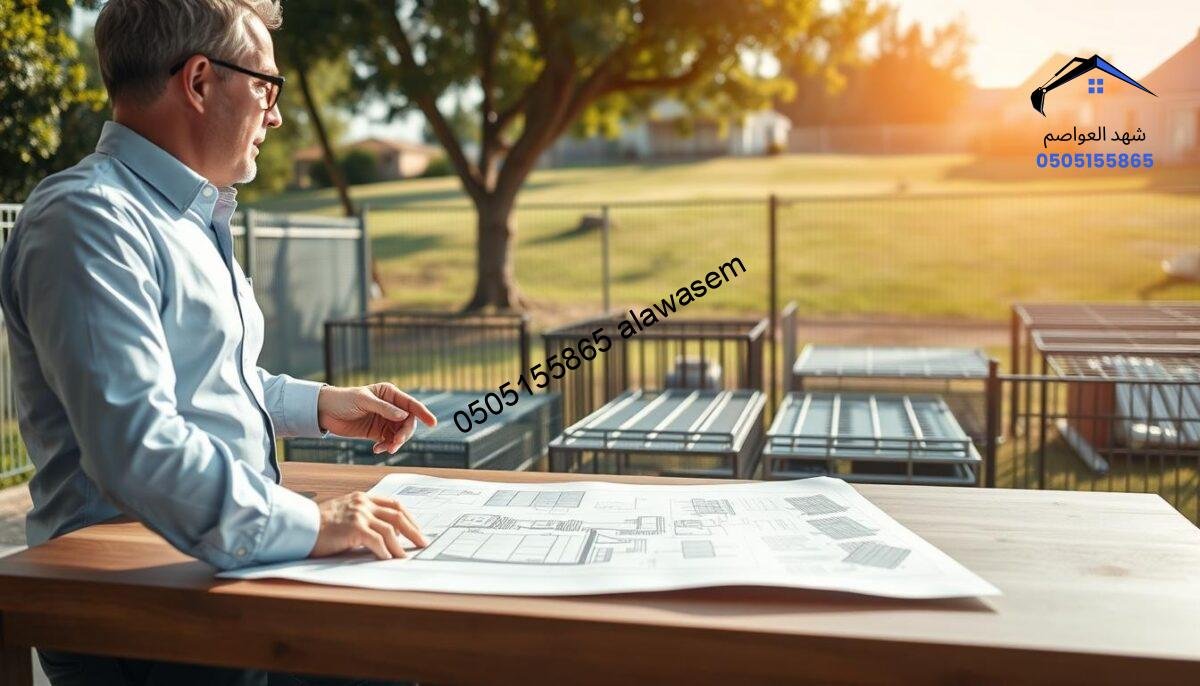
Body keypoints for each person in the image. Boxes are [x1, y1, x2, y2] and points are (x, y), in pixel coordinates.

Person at [0, 1, 432, 683]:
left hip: (214, 575)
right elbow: (137, 443)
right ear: (200, 81)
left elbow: (201, 378)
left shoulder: (188, 216)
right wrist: (316, 524)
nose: (277, 114)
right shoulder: (88, 221)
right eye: (266, 86)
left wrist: (319, 404)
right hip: (143, 611)